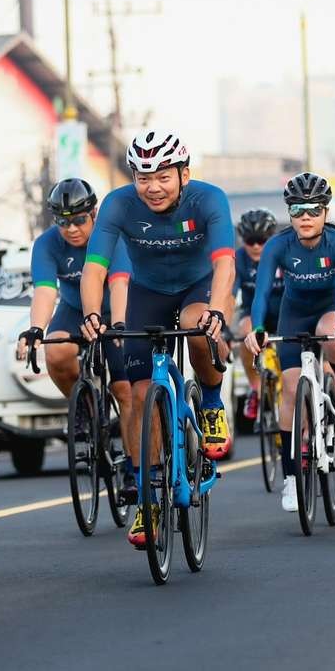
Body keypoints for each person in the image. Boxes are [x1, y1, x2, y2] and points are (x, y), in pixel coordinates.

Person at [79, 130, 235, 549]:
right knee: (141, 393)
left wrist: (218, 311)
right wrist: (93, 314)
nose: (152, 187)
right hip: (147, 295)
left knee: (199, 324)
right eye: (143, 177)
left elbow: (224, 264)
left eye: (162, 176)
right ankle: (148, 501)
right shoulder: (118, 204)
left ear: (184, 173)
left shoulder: (209, 199)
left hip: (198, 289)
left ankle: (213, 405)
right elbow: (94, 267)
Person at [242, 173, 335, 514]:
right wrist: (258, 328)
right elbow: (261, 293)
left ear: (325, 212)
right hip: (293, 315)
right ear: (290, 213)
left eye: (312, 209)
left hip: (331, 310)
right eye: (297, 209)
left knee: (329, 333)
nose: (305, 216)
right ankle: (292, 480)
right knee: (290, 393)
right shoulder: (278, 245)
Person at [15, 180, 133, 466]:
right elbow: (45, 290)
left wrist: (118, 324)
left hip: (119, 307)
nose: (71, 229)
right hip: (75, 309)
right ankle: (86, 407)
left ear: (93, 213)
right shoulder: (46, 244)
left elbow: (119, 284)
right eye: (63, 222)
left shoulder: (110, 236)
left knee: (124, 389)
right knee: (55, 351)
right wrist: (36, 330)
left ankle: (134, 465)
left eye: (79, 220)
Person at [233, 209, 283, 423]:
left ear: (271, 238)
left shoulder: (283, 254)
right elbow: (231, 294)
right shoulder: (238, 259)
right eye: (250, 240)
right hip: (254, 315)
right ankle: (256, 389)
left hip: (285, 312)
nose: (255, 246)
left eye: (261, 240)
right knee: (244, 330)